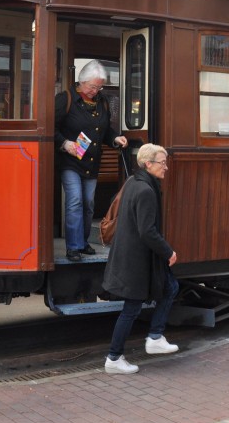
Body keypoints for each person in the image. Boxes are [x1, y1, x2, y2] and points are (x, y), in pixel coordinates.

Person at [102, 143, 179, 374]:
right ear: (148, 164)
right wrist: (169, 251)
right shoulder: (146, 190)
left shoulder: (134, 183)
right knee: (132, 308)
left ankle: (154, 337)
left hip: (131, 256)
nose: (166, 167)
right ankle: (115, 357)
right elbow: (147, 231)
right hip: (135, 260)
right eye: (162, 163)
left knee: (170, 287)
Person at [54, 61, 128, 261]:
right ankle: (73, 247)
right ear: (82, 81)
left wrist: (115, 138)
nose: (95, 91)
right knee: (75, 201)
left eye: (99, 87)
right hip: (70, 160)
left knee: (88, 203)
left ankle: (83, 242)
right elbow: (50, 128)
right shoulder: (65, 99)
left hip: (92, 162)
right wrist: (64, 143)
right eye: (92, 86)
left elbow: (104, 130)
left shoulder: (102, 102)